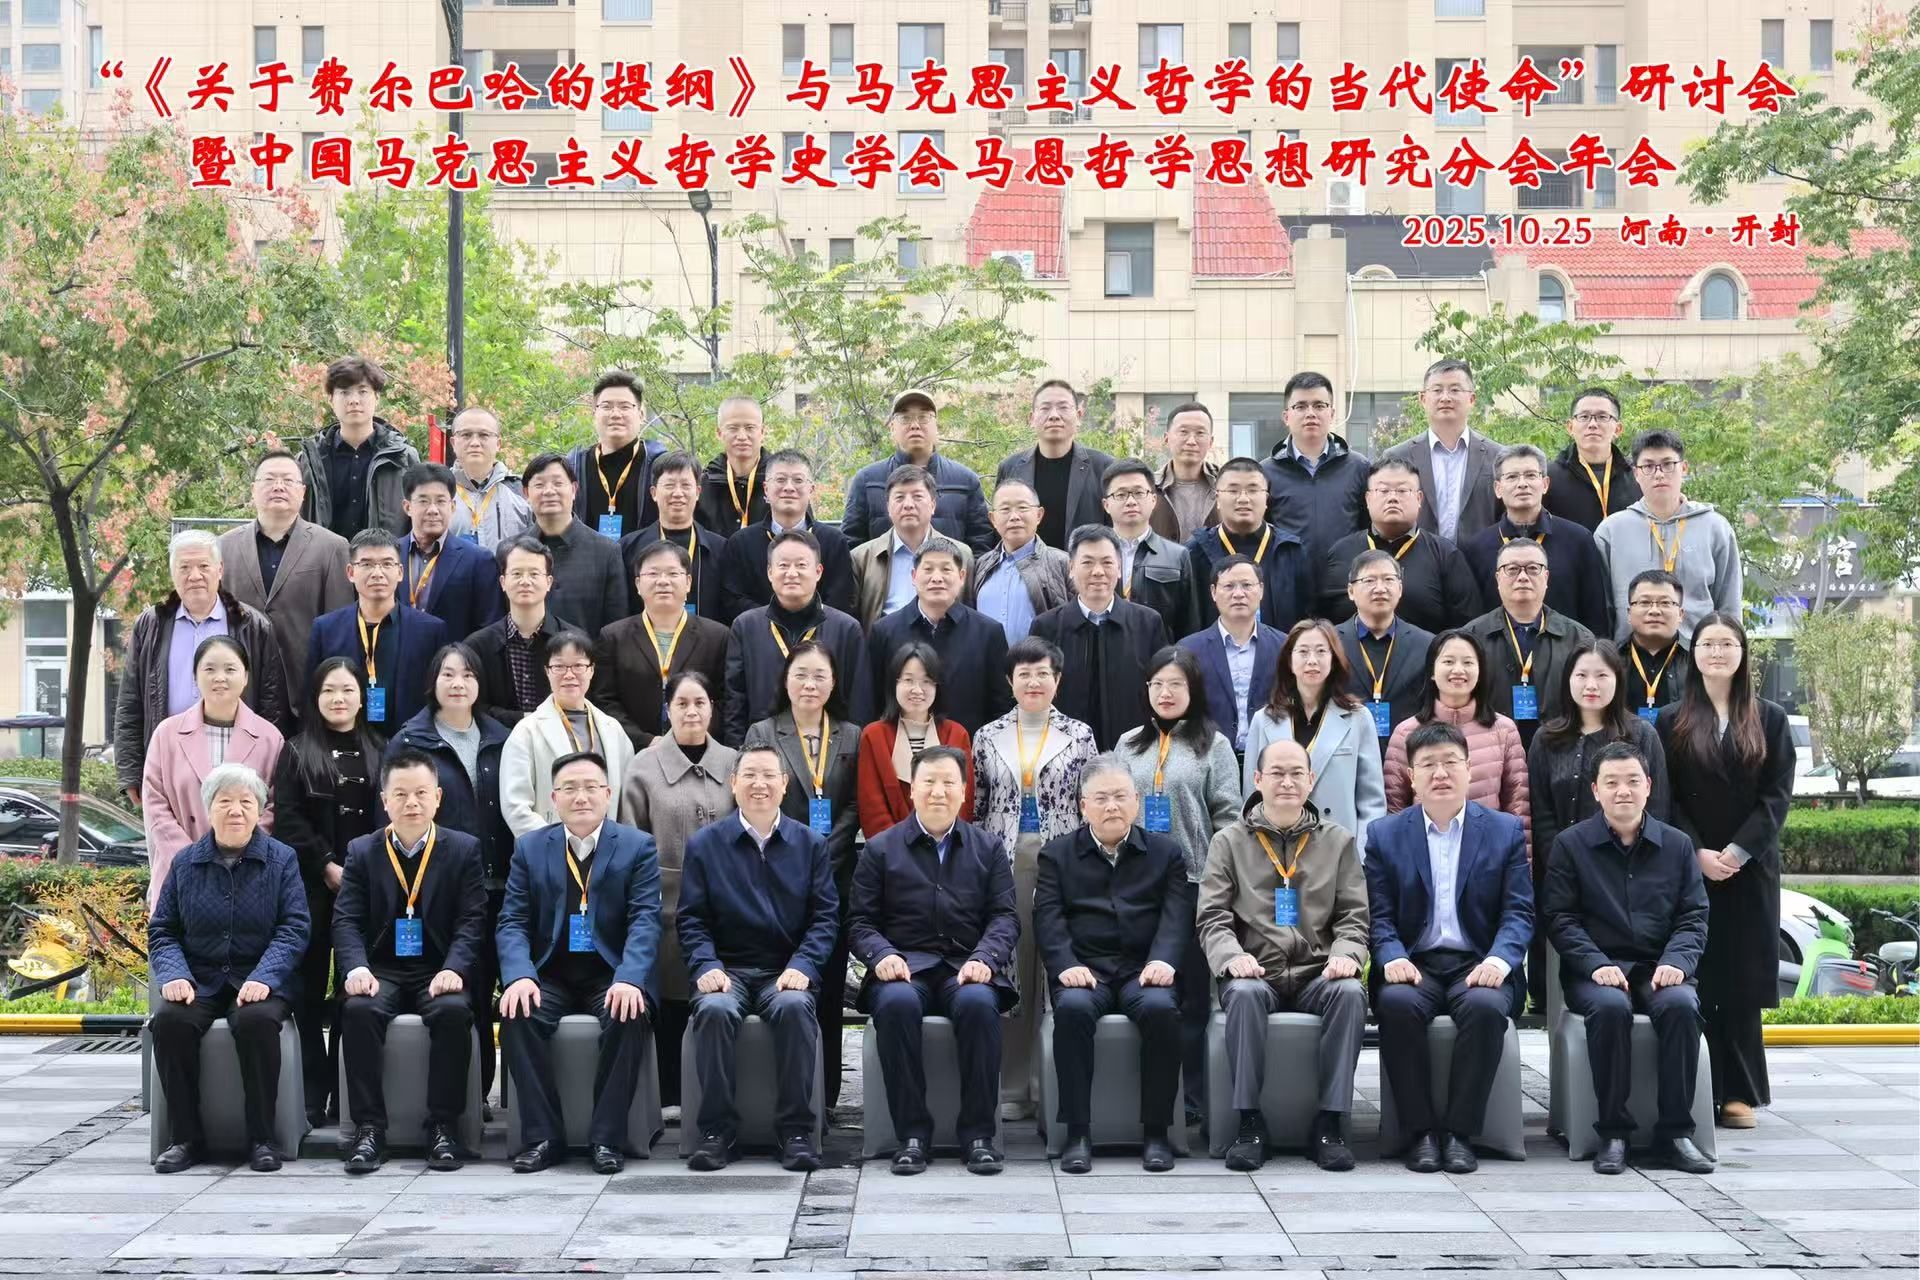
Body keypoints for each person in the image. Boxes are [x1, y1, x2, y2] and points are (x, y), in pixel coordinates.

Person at [1364, 722, 1533, 1174]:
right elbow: (1378, 915)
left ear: (1469, 769)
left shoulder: (1503, 830)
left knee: (1485, 1008)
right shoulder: (1384, 835)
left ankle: (1460, 1133)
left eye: (1450, 762)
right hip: (1414, 963)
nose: (1440, 773)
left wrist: (1499, 960)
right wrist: (1392, 956)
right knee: (1396, 1004)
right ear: (1411, 777)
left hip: (1478, 961)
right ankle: (1419, 1133)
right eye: (1428, 765)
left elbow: (1519, 911)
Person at [1544, 742, 1715, 1175]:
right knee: (1609, 1008)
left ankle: (1675, 1133)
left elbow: (1694, 916)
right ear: (1595, 790)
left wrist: (1677, 961)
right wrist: (1596, 963)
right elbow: (1560, 919)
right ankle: (1613, 1132)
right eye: (1612, 782)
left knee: (1681, 1006)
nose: (1623, 791)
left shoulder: (1677, 845)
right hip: (1595, 970)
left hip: (1660, 967)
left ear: (1649, 786)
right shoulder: (1570, 845)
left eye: (1633, 781)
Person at [1199, 738, 1368, 1172]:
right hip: (1257, 971)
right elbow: (1212, 917)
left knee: (1350, 993)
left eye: (1296, 773)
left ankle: (1330, 1123)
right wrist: (1231, 957)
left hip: (1317, 972)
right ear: (1257, 779)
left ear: (1311, 780)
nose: (1287, 782)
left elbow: (1354, 916)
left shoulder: (1338, 842)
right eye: (1276, 773)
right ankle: (1249, 1123)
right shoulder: (1228, 842)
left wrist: (1347, 954)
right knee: (1243, 994)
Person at [849, 746, 1020, 1175]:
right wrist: (881, 955)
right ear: (912, 790)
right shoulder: (880, 848)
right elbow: (859, 921)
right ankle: (912, 1135)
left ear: (963, 791)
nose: (938, 792)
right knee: (896, 1003)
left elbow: (1004, 917)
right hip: (905, 967)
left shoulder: (988, 848)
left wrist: (985, 958)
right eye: (928, 782)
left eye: (948, 783)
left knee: (979, 1004)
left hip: (966, 966)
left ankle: (978, 1136)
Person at [1656, 613, 1792, 1133]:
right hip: (1691, 865)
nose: (1716, 652)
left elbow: (1776, 796)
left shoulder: (1770, 718)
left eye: (1726, 644)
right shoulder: (1671, 720)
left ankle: (1739, 1092)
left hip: (1749, 868)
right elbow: (1665, 795)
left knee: (1741, 980)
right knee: (1700, 972)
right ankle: (1699, 1090)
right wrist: (1696, 851)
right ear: (1694, 654)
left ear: (1742, 654)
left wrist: (1736, 852)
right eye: (1707, 644)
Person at [497, 751, 662, 1173]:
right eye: (569, 788)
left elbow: (645, 920)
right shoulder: (531, 848)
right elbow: (512, 921)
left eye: (591, 787)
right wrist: (519, 976)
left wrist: (630, 978)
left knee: (628, 1012)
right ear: (554, 798)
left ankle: (607, 1138)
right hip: (550, 974)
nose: (581, 796)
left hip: (611, 974)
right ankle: (543, 1137)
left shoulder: (637, 846)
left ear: (608, 793)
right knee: (517, 1013)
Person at [677, 745, 839, 1171]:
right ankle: (717, 1132)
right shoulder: (706, 844)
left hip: (784, 971)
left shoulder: (810, 843)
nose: (759, 784)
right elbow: (691, 918)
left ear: (785, 785)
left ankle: (796, 1131)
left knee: (795, 1008)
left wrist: (803, 965)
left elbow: (825, 918)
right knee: (713, 1010)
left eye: (769, 775)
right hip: (726, 970)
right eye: (749, 775)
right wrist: (705, 964)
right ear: (733, 783)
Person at [1034, 757, 1194, 1173]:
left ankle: (1156, 1132)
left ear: (1136, 801)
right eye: (1101, 798)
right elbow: (1048, 918)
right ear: (1082, 805)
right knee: (1072, 1010)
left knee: (1161, 1009)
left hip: (1144, 969)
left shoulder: (1166, 853)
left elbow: (1177, 916)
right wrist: (1065, 964)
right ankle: (1077, 1133)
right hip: (1086, 970)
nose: (1112, 806)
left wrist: (1163, 959)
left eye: (1121, 796)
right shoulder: (1057, 855)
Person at [148, 763, 309, 1174]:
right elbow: (163, 930)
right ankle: (185, 1138)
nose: (236, 811)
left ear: (259, 810)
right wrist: (174, 974)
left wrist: (265, 977)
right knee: (169, 1022)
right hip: (199, 979)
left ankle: (262, 1138)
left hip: (259, 978)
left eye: (245, 802)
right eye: (225, 802)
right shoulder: (185, 862)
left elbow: (294, 928)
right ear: (208, 809)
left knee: (256, 1021)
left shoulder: (281, 860)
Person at [334, 750, 488, 1173]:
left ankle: (442, 1126)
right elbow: (346, 919)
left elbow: (472, 920)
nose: (411, 803)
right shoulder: (363, 851)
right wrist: (356, 967)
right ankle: (369, 1129)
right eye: (400, 794)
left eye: (421, 793)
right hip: (380, 969)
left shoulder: (463, 849)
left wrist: (454, 968)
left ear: (438, 797)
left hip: (438, 969)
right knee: (359, 1011)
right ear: (385, 800)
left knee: (453, 1012)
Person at [971, 637, 1098, 1119]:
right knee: (1012, 965)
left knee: (1057, 962)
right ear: (1010, 681)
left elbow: (1087, 803)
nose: (1033, 682)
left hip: (1062, 860)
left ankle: (1052, 1086)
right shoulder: (987, 736)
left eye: (1043, 673)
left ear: (1057, 680)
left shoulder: (1079, 735)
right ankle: (1013, 1086)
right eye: (1024, 673)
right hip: (1005, 860)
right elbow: (979, 807)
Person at [1113, 647, 1239, 1125]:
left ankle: (1193, 1100)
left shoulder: (1214, 745)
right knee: (1146, 990)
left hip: (1194, 883)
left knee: (1191, 998)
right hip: (1136, 885)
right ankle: (1145, 1095)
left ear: (1194, 689)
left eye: (1176, 684)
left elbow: (1228, 818)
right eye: (1157, 684)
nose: (1165, 693)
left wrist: (1220, 882)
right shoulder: (1128, 744)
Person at [387, 643, 516, 1104]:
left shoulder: (505, 738)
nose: (458, 683)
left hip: (504, 883)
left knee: (509, 984)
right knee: (467, 988)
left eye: (468, 675)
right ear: (433, 682)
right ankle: (471, 1097)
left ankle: (508, 1096)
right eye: (448, 674)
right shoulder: (409, 740)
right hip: (442, 890)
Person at [744, 640, 863, 1106]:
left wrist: (825, 849)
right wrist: (799, 848)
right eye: (801, 675)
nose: (809, 684)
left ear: (833, 683)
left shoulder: (851, 735)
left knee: (829, 987)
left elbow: (854, 804)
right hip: (777, 874)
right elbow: (758, 798)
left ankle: (826, 1095)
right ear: (786, 680)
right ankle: (780, 1092)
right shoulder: (763, 732)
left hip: (836, 873)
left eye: (819, 676)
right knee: (785, 982)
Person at [272, 657, 387, 1130]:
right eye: (328, 691)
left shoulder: (382, 749)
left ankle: (345, 1090)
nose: (338, 699)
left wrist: (356, 872)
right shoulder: (297, 751)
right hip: (311, 887)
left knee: (355, 989)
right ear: (315, 699)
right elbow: (287, 817)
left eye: (347, 690)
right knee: (307, 990)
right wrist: (325, 864)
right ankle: (313, 1091)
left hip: (368, 889)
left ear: (363, 698)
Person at [619, 671, 740, 1113]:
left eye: (700, 703)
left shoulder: (733, 762)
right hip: (663, 899)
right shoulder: (643, 766)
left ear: (712, 709)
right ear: (667, 710)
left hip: (726, 900)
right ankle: (670, 1093)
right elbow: (630, 838)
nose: (691, 712)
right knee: (670, 996)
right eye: (682, 704)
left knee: (716, 993)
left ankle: (717, 1096)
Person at [115, 529, 287, 804]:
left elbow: (272, 704)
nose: (194, 576)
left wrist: (270, 769)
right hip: (170, 759)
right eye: (184, 567)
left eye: (204, 566)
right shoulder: (151, 625)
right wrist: (130, 772)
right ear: (173, 573)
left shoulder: (251, 625)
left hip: (238, 761)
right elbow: (130, 702)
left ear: (220, 570)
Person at [141, 635, 287, 909]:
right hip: (180, 873)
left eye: (230, 669)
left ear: (245, 677)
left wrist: (240, 853)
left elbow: (273, 806)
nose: (220, 677)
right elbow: (155, 804)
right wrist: (191, 859)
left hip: (245, 875)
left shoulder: (269, 738)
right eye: (209, 669)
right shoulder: (167, 734)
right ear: (195, 676)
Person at [219, 449, 353, 713]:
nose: (278, 486)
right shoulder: (223, 547)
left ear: (302, 492)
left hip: (306, 692)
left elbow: (339, 628)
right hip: (240, 692)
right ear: (253, 490)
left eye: (288, 480)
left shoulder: (332, 547)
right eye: (269, 479)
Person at [1527, 640, 1672, 874]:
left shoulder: (1642, 734)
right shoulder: (1546, 738)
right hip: (1563, 870)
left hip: (1628, 869)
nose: (1591, 685)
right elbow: (1541, 813)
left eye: (1602, 675)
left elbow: (1657, 807)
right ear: (1568, 679)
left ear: (1618, 680)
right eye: (1581, 675)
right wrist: (1561, 861)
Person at [1242, 620, 1387, 850]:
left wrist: (1360, 857)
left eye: (1321, 651)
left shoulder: (1358, 718)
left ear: (1334, 659)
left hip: (1338, 849)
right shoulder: (1264, 719)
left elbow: (1372, 802)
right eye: (1303, 652)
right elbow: (1251, 797)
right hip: (1277, 847)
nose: (1312, 660)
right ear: (1289, 660)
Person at [723, 530, 873, 744]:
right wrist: (740, 754)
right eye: (783, 565)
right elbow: (734, 702)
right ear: (770, 572)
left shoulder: (846, 629)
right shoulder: (746, 627)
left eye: (801, 565)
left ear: (818, 572)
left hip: (829, 750)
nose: (792, 573)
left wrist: (851, 753)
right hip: (762, 749)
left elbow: (860, 704)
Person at [1382, 631, 1530, 845]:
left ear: (1480, 671)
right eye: (1448, 661)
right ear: (1432, 671)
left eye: (1468, 662)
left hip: (1488, 852)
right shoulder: (1406, 732)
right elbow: (1395, 808)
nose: (1458, 670)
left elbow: (1518, 807)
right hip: (1424, 851)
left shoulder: (1504, 730)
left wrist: (1521, 863)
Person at [1595, 431, 1742, 645]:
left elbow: (1729, 607)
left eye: (1668, 464)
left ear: (1684, 468)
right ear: (1636, 473)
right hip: (1630, 657)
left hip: (1697, 656)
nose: (1659, 474)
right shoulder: (1611, 531)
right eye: (1648, 466)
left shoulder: (1715, 528)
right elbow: (1602, 609)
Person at [1030, 526, 1170, 750]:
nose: (1098, 572)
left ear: (1119, 568)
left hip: (1133, 750)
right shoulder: (1046, 627)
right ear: (1071, 568)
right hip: (1064, 753)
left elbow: (1163, 690)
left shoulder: (1148, 623)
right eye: (1087, 563)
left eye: (1107, 562)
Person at [1460, 444, 1612, 637]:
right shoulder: (1476, 548)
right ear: (1498, 488)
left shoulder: (1578, 540)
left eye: (1531, 475)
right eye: (1512, 477)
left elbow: (1595, 614)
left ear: (1545, 484)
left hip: (1567, 650)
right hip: (1496, 651)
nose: (1522, 484)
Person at [308, 529, 449, 732]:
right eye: (366, 564)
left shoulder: (430, 631)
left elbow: (438, 699)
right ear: (350, 572)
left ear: (400, 572)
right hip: (345, 742)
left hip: (409, 742)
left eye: (387, 564)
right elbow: (312, 696)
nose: (377, 573)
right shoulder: (326, 629)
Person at [1318, 458, 1482, 632]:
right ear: (1368, 499)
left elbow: (1467, 627)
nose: (1392, 498)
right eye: (1383, 491)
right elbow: (1322, 623)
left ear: (1419, 498)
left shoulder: (1445, 555)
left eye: (1402, 491)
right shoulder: (1341, 553)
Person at [594, 541, 731, 748]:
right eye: (653, 573)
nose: (663, 581)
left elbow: (725, 700)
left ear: (688, 582)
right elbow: (604, 701)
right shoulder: (613, 636)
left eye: (673, 573)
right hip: (635, 751)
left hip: (700, 748)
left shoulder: (717, 636)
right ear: (638, 584)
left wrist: (690, 735)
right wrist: (645, 741)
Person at [1461, 539, 1596, 749]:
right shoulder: (1470, 637)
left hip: (1560, 749)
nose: (1523, 577)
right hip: (1491, 751)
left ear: (1546, 577)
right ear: (1498, 578)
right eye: (1512, 569)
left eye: (1533, 568)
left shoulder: (1579, 638)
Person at [866, 541, 1010, 736]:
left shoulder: (988, 632)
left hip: (967, 746)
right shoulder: (884, 631)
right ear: (914, 576)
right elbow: (873, 700)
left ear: (961, 577)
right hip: (899, 745)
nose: (936, 578)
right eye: (928, 569)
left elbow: (1001, 705)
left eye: (945, 569)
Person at [500, 630, 636, 837]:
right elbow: (515, 806)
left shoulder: (613, 729)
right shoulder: (526, 731)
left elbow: (627, 801)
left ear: (591, 670)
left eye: (579, 666)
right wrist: (558, 844)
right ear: (547, 671)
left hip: (607, 846)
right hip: (549, 847)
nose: (569, 674)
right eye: (559, 666)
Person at [841, 389, 993, 552]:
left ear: (936, 426)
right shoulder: (867, 480)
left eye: (923, 417)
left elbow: (982, 545)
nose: (915, 425)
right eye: (905, 418)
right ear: (892, 428)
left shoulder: (965, 481)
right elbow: (851, 546)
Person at [718, 448, 856, 622]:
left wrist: (805, 626)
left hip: (820, 635)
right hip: (758, 632)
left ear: (811, 489)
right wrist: (773, 622)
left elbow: (841, 598)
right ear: (766, 489)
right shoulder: (741, 543)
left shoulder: (833, 541)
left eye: (798, 480)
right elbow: (734, 599)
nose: (789, 488)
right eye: (780, 480)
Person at [857, 643, 977, 839]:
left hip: (947, 848)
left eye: (926, 681)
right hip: (890, 851)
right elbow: (872, 809)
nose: (917, 689)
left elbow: (964, 803)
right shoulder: (873, 735)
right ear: (894, 684)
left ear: (937, 686)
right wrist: (901, 850)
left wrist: (943, 846)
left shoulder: (957, 734)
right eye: (908, 680)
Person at [1381, 358, 1505, 545]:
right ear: (1423, 399)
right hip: (1416, 558)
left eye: (1455, 390)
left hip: (1479, 559)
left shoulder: (1498, 456)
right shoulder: (1396, 457)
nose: (1445, 397)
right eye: (1437, 390)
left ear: (1472, 399)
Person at [296, 355, 420, 539]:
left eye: (362, 391)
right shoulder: (309, 460)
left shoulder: (403, 457)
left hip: (385, 556)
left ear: (377, 397)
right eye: (344, 392)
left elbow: (417, 520)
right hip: (322, 556)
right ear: (331, 399)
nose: (354, 400)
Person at [1185, 458, 1312, 633]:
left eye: (1253, 490)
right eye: (1233, 490)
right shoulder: (1195, 551)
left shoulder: (1290, 550)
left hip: (1280, 648)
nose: (1243, 499)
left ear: (1266, 498)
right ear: (1218, 498)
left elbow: (1307, 617)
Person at [1261, 373, 1371, 570]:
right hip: (1289, 581)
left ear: (1332, 413)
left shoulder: (1359, 467)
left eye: (1319, 406)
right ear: (1286, 416)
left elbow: (1368, 528)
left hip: (1345, 580)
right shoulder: (1266, 473)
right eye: (1300, 406)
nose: (1310, 413)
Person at [1178, 557, 1285, 757]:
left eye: (1247, 585)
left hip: (1270, 759)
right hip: (1207, 757)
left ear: (1261, 590)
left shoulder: (1284, 646)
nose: (1238, 594)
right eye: (1229, 586)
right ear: (1213, 592)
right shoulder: (1189, 649)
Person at [467, 536, 574, 728]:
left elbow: (581, 702)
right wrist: (524, 719)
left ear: (549, 582)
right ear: (503, 582)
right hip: (497, 742)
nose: (525, 581)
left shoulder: (571, 642)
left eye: (534, 574)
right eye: (516, 574)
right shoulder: (478, 646)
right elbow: (474, 707)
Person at [996, 380, 1117, 549]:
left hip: (1085, 564)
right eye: (1045, 408)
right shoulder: (1010, 468)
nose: (1054, 415)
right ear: (1031, 418)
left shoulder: (1104, 467)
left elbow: (1116, 528)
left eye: (1063, 407)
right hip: (1024, 564)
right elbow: (999, 529)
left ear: (1079, 415)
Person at [849, 465, 974, 628]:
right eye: (899, 497)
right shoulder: (862, 558)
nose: (908, 505)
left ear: (933, 505)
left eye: (917, 496)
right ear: (888, 507)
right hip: (884, 639)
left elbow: (970, 614)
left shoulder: (961, 554)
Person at [522, 452, 628, 639]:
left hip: (584, 657)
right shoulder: (513, 551)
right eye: (539, 485)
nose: (549, 491)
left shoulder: (606, 552)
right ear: (526, 493)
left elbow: (616, 627)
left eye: (557, 483)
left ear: (573, 489)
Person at [1334, 549, 1436, 741]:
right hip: (1346, 747)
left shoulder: (1427, 644)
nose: (1380, 588)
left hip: (1408, 748)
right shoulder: (1331, 643)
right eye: (1369, 580)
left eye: (1388, 579)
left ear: (1400, 588)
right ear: (1351, 591)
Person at [397, 463, 505, 640]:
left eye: (440, 501)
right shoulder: (390, 555)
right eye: (423, 501)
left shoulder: (479, 560)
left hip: (455, 656)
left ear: (453, 506)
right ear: (408, 507)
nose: (433, 510)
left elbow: (490, 628)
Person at [619, 449, 725, 620]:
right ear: (654, 493)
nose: (678, 493)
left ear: (698, 492)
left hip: (708, 636)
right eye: (669, 485)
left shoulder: (720, 549)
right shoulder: (628, 548)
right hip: (645, 636)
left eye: (685, 485)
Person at [1103, 459, 1201, 643]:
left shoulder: (1178, 556)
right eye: (1121, 494)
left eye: (1139, 493)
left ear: (1153, 500)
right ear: (1106, 504)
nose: (1131, 501)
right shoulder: (1093, 555)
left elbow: (1189, 625)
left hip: (1159, 656)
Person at [966, 478, 1072, 644]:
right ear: (993, 519)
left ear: (1039, 515)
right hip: (987, 661)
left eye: (1022, 508)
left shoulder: (1062, 562)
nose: (1014, 517)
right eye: (1005, 509)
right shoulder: (981, 566)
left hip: (1042, 660)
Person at [570, 370, 664, 540]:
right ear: (594, 414)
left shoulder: (660, 466)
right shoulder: (574, 466)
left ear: (641, 414)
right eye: (606, 406)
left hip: (645, 556)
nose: (615, 414)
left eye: (624, 406)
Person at [1543, 387, 1641, 532]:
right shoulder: (1548, 476)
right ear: (1570, 427)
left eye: (1602, 417)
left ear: (1618, 429)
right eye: (1584, 417)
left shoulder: (1638, 474)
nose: (1593, 424)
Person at [444, 406, 532, 551]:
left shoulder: (522, 492)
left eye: (484, 435)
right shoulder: (439, 490)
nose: (475, 443)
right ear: (453, 443)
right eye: (466, 435)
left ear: (498, 444)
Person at [696, 396, 774, 537]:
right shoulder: (704, 484)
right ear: (719, 433)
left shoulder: (781, 482)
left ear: (762, 431)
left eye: (750, 428)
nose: (742, 436)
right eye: (733, 428)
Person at [1149, 401, 1221, 543]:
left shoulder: (1226, 486)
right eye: (1183, 432)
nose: (1191, 441)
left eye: (1200, 433)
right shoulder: (1149, 487)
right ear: (1166, 438)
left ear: (1211, 441)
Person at [1621, 569, 1691, 714]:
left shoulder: (1697, 659)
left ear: (1680, 614)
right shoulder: (1610, 659)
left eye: (1665, 603)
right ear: (1629, 613)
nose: (1654, 610)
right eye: (1644, 602)